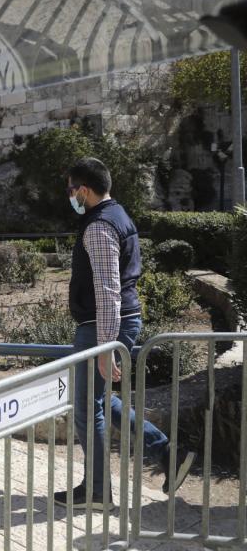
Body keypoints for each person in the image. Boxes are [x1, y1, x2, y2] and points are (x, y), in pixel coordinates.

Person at [54, 157, 196, 510]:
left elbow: (107, 290)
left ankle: (98, 491)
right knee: (97, 401)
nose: (70, 196)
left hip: (102, 326)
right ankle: (165, 450)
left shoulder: (100, 225)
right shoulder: (118, 215)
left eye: (72, 190)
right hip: (114, 322)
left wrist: (105, 347)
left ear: (83, 190)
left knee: (88, 409)